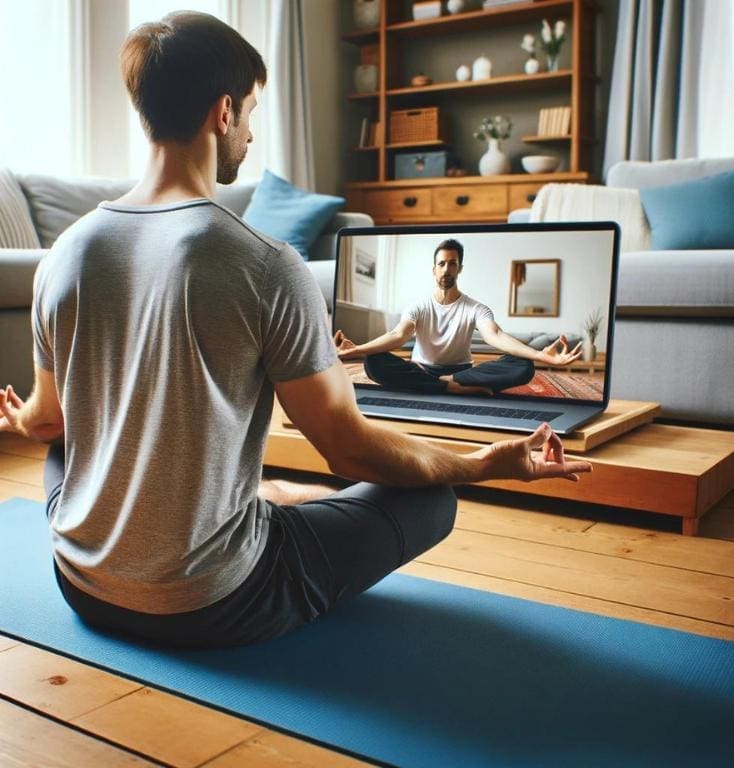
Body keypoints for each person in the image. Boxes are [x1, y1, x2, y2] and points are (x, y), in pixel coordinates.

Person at [0, 12, 592, 649]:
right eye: (251, 112)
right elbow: (350, 451)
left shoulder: (64, 253)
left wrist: (18, 421)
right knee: (431, 498)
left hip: (82, 583)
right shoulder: (265, 263)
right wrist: (485, 463)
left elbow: (48, 423)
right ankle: (255, 509)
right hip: (209, 604)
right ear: (223, 112)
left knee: (71, 448)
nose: (250, 135)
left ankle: (256, 498)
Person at [334, 238, 583, 396]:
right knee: (373, 362)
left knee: (523, 365)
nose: (446, 269)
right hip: (422, 369)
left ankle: (449, 382)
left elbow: (494, 335)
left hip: (463, 372)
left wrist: (539, 355)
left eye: (452, 264)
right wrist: (358, 349)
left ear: (459, 268)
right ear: (434, 270)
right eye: (441, 264)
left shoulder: (475, 308)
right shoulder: (418, 307)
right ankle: (450, 387)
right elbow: (398, 335)